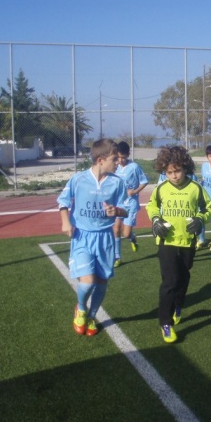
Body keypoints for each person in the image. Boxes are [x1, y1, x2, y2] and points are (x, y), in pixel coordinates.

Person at [57, 138, 128, 336]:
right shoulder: (78, 179)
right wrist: (65, 221)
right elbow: (63, 201)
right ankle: (81, 308)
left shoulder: (117, 182)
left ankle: (91, 316)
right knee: (88, 281)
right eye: (114, 159)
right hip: (82, 236)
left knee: (102, 282)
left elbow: (127, 209)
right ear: (100, 160)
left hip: (105, 238)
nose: (118, 162)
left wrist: (117, 211)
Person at [146, 145, 211, 343]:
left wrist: (200, 220)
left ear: (185, 168)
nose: (174, 176)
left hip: (187, 241)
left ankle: (178, 304)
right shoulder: (161, 189)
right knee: (170, 281)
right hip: (166, 241)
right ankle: (165, 323)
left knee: (183, 278)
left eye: (177, 171)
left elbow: (208, 209)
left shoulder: (196, 188)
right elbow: (151, 206)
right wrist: (156, 220)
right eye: (169, 173)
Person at [113, 141, 149, 267]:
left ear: (128, 155)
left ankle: (132, 239)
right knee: (116, 229)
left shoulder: (134, 167)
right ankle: (117, 257)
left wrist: (134, 191)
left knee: (126, 233)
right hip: (118, 203)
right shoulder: (115, 167)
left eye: (123, 157)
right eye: (118, 157)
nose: (121, 160)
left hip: (131, 204)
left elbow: (144, 181)